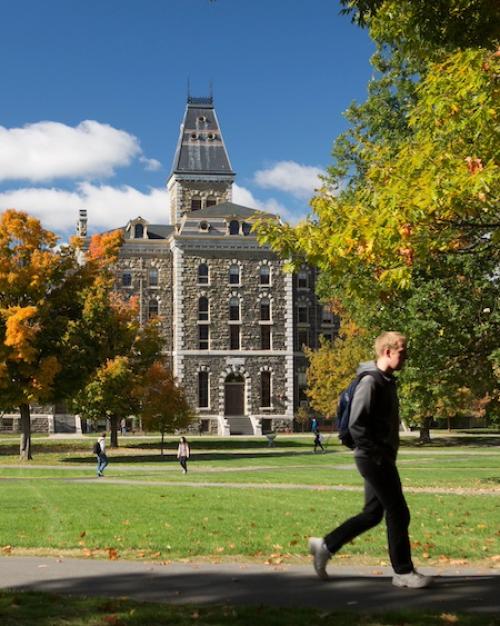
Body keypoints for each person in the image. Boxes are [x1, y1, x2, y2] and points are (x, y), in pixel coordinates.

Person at [308, 331, 432, 589]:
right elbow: (356, 424)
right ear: (388, 352)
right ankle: (403, 572)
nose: (405, 358)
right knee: (398, 512)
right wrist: (375, 454)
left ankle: (326, 545)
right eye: (402, 353)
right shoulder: (371, 382)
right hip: (374, 458)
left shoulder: (386, 380)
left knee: (373, 514)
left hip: (379, 456)